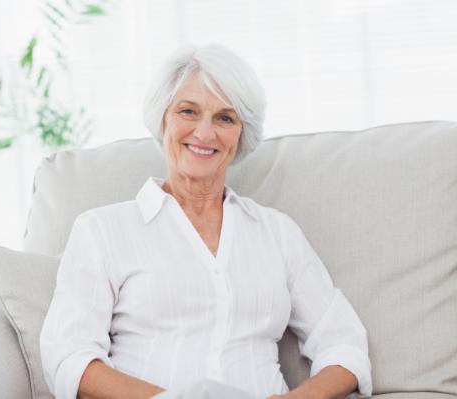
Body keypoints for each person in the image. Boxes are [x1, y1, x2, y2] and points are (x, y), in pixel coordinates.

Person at [39, 43, 372, 399]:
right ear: (162, 117)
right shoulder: (102, 231)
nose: (205, 133)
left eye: (225, 118)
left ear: (241, 135)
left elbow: (344, 343)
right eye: (188, 111)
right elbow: (70, 355)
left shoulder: (277, 232)